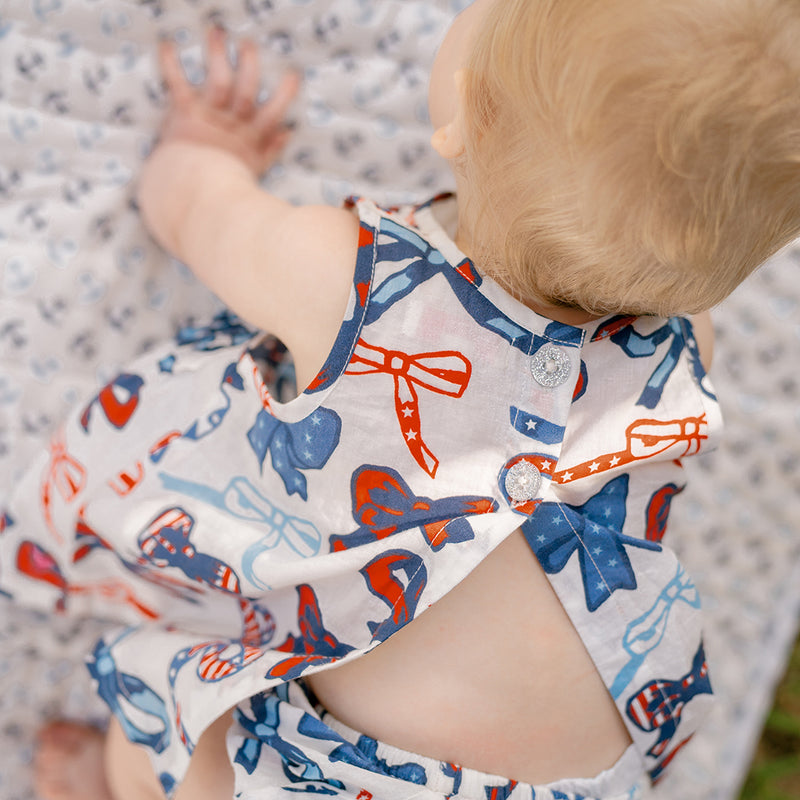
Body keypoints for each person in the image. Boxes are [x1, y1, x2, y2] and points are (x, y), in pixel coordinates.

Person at [12, 0, 800, 798]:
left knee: (177, 746)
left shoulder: (349, 283)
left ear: (460, 119)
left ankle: (102, 783)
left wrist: (203, 150)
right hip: (586, 771)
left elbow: (196, 213)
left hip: (359, 771)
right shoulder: (688, 340)